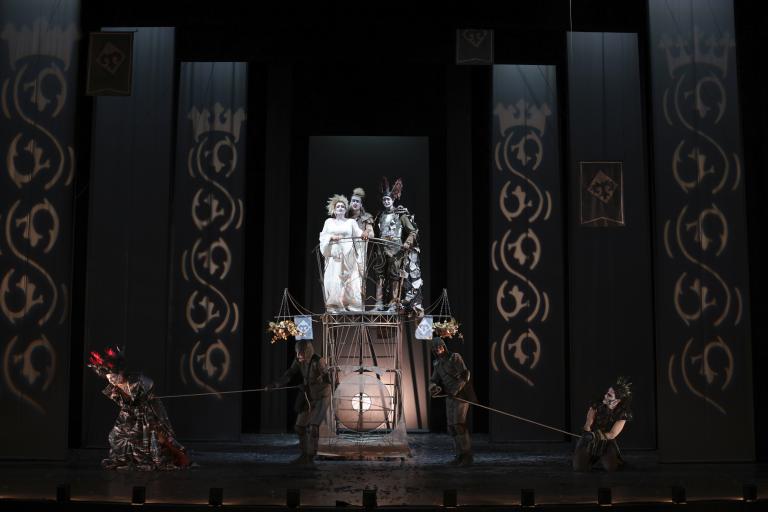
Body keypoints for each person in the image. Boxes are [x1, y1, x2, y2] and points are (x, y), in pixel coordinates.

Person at [87, 347, 190, 470]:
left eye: (113, 377)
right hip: (130, 413)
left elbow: (149, 391)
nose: (111, 380)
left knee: (157, 435)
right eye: (109, 378)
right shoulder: (115, 387)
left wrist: (145, 401)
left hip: (148, 409)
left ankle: (179, 455)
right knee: (116, 435)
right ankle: (128, 458)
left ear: (121, 372)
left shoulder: (138, 381)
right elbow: (125, 404)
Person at [269, 340, 332, 465]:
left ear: (307, 351)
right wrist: (276, 384)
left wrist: (315, 381)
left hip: (321, 396)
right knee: (299, 427)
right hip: (309, 395)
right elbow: (290, 373)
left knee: (313, 427)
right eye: (297, 352)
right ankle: (304, 454)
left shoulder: (318, 361)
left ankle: (310, 456)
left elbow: (327, 379)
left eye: (301, 352)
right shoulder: (298, 360)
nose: (298, 355)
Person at [372, 177, 423, 315]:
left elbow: (413, 231)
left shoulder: (400, 215)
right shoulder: (380, 215)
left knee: (394, 276)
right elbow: (375, 231)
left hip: (396, 250)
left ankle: (393, 303)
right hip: (381, 249)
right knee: (379, 275)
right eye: (384, 199)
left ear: (393, 200)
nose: (386, 201)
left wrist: (407, 243)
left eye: (388, 199)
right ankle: (379, 303)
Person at [428, 337, 476, 466]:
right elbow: (433, 380)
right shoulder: (437, 363)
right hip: (450, 396)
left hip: (461, 394)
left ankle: (467, 456)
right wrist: (433, 387)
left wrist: (455, 391)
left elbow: (465, 376)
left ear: (443, 346)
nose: (438, 349)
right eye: (435, 348)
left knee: (459, 424)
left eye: (439, 347)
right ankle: (459, 456)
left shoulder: (454, 357)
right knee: (451, 427)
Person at [319, 194, 368, 312]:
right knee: (334, 279)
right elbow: (323, 236)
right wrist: (331, 237)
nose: (340, 208)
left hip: (348, 254)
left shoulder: (351, 222)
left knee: (351, 279)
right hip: (335, 255)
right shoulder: (329, 222)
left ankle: (351, 304)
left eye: (342, 206)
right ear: (334, 210)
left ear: (346, 210)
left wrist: (365, 233)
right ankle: (335, 305)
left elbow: (358, 233)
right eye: (338, 207)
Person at [573, 376, 633, 472]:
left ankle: (610, 458)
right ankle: (590, 457)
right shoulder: (597, 402)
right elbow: (589, 421)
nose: (605, 396)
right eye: (607, 393)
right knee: (579, 468)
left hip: (606, 441)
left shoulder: (623, 412)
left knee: (611, 468)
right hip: (589, 437)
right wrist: (587, 431)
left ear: (617, 400)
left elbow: (612, 434)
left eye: (609, 395)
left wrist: (596, 436)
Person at [347, 187, 375, 302]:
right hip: (346, 250)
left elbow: (372, 234)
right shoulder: (345, 216)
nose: (355, 203)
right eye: (353, 201)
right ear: (350, 202)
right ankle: (346, 303)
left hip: (360, 251)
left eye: (357, 201)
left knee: (359, 276)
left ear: (361, 204)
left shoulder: (366, 217)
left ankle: (359, 304)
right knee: (346, 276)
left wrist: (367, 232)